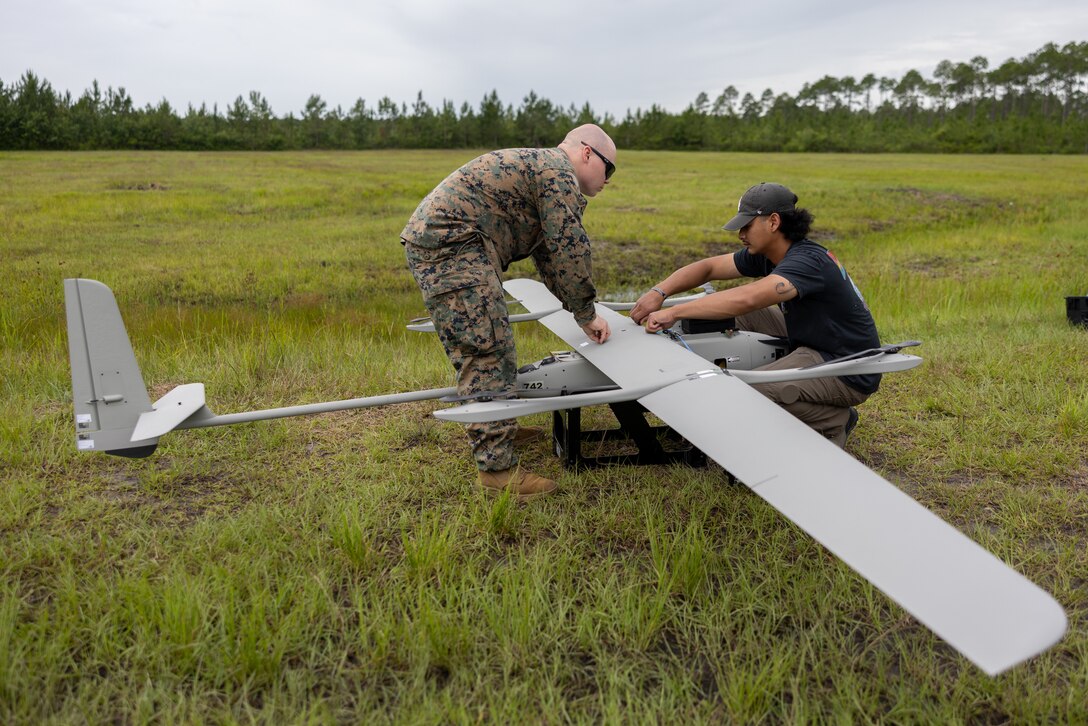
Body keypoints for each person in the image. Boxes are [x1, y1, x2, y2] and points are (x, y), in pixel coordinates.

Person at [402, 124, 616, 499]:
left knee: (491, 341)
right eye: (608, 169)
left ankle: (498, 425)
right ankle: (497, 470)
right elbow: (569, 247)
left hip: (456, 244)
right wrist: (586, 313)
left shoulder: (544, 170)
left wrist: (578, 310)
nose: (608, 180)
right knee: (487, 348)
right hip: (453, 247)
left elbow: (549, 255)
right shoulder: (557, 173)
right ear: (587, 153)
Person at [630, 182, 879, 448]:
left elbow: (746, 299)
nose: (741, 234)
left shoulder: (807, 262)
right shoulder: (770, 254)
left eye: (747, 225)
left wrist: (675, 312)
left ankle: (834, 420)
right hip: (815, 337)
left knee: (752, 390)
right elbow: (708, 267)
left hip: (847, 364)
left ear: (773, 222)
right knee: (720, 313)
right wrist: (659, 291)